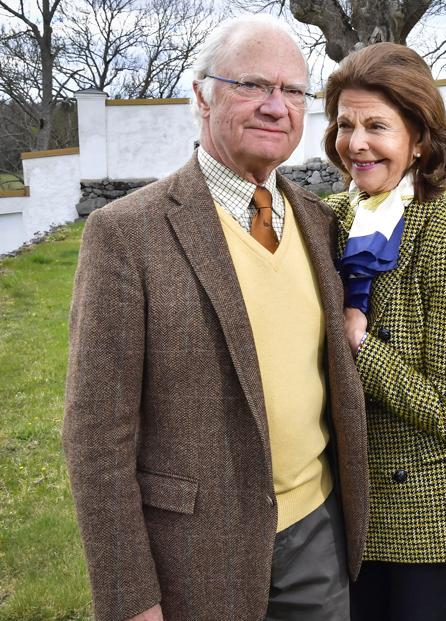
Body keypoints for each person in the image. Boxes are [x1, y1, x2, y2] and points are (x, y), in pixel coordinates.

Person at [63, 15, 368, 621]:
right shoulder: (126, 234)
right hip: (196, 556)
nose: (277, 107)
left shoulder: (320, 222)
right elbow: (96, 436)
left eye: (294, 91)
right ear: (201, 96)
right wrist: (131, 600)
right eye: (253, 85)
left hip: (317, 533)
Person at [322, 42, 446, 621]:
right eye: (345, 124)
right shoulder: (328, 219)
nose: (356, 143)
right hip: (344, 513)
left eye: (378, 125)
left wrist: (358, 345)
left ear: (420, 138)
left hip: (433, 521)